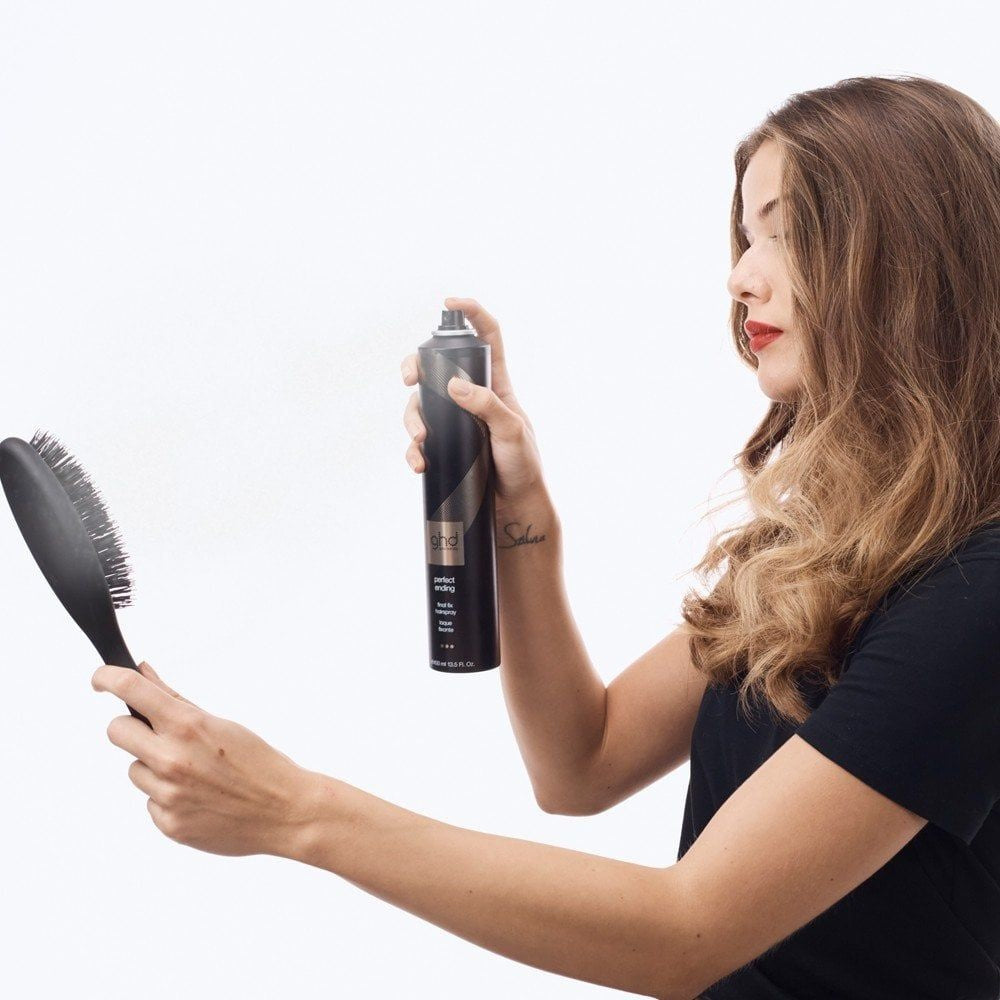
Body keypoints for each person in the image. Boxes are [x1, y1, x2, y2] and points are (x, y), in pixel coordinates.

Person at [93, 74, 1000, 999]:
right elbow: (582, 763)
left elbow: (685, 934)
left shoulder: (979, 589)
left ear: (911, 258)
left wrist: (296, 812)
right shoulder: (822, 556)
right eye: (746, 235)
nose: (740, 274)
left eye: (787, 231)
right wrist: (518, 511)